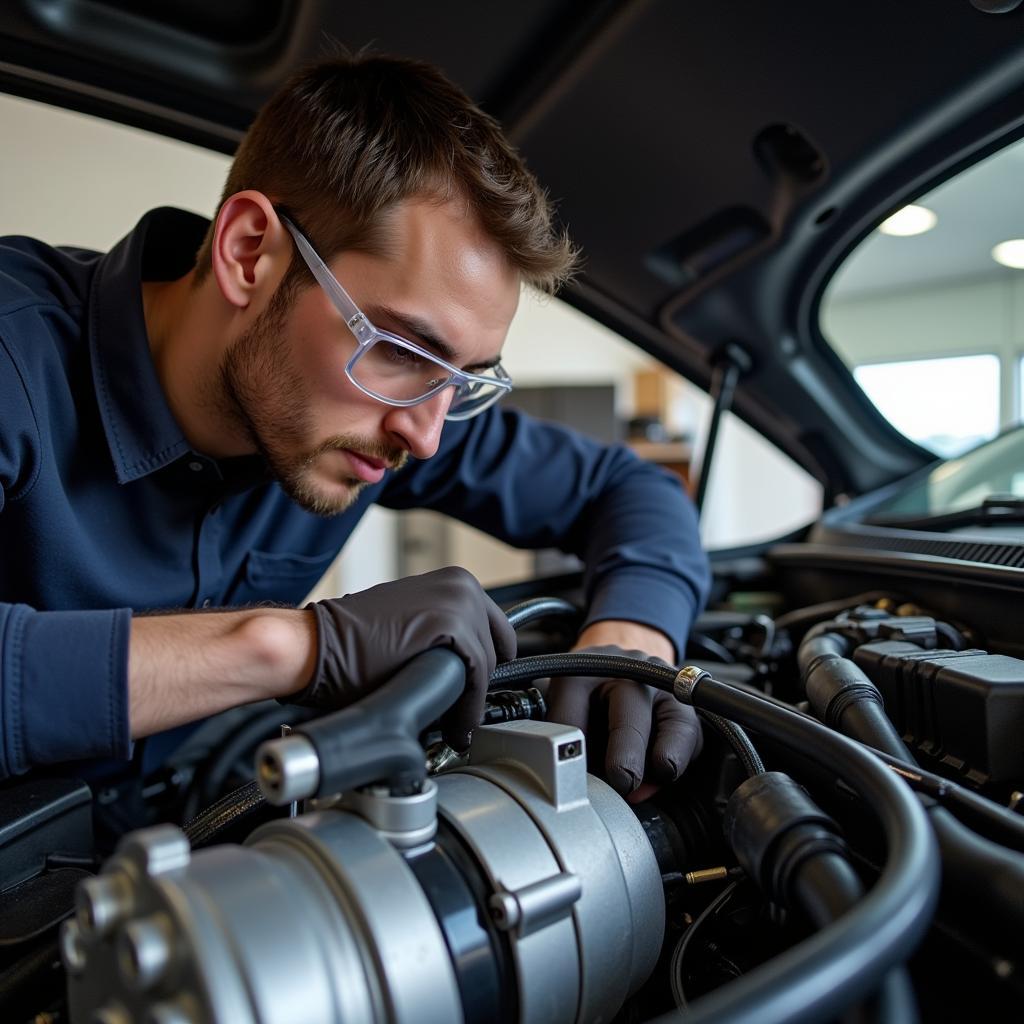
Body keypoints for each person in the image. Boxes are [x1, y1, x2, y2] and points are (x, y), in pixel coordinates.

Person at [0, 53, 709, 801]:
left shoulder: (384, 412)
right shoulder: (16, 351)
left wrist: (629, 644)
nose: (427, 437)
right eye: (404, 350)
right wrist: (291, 646)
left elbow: (624, 486)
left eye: (463, 378)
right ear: (249, 253)